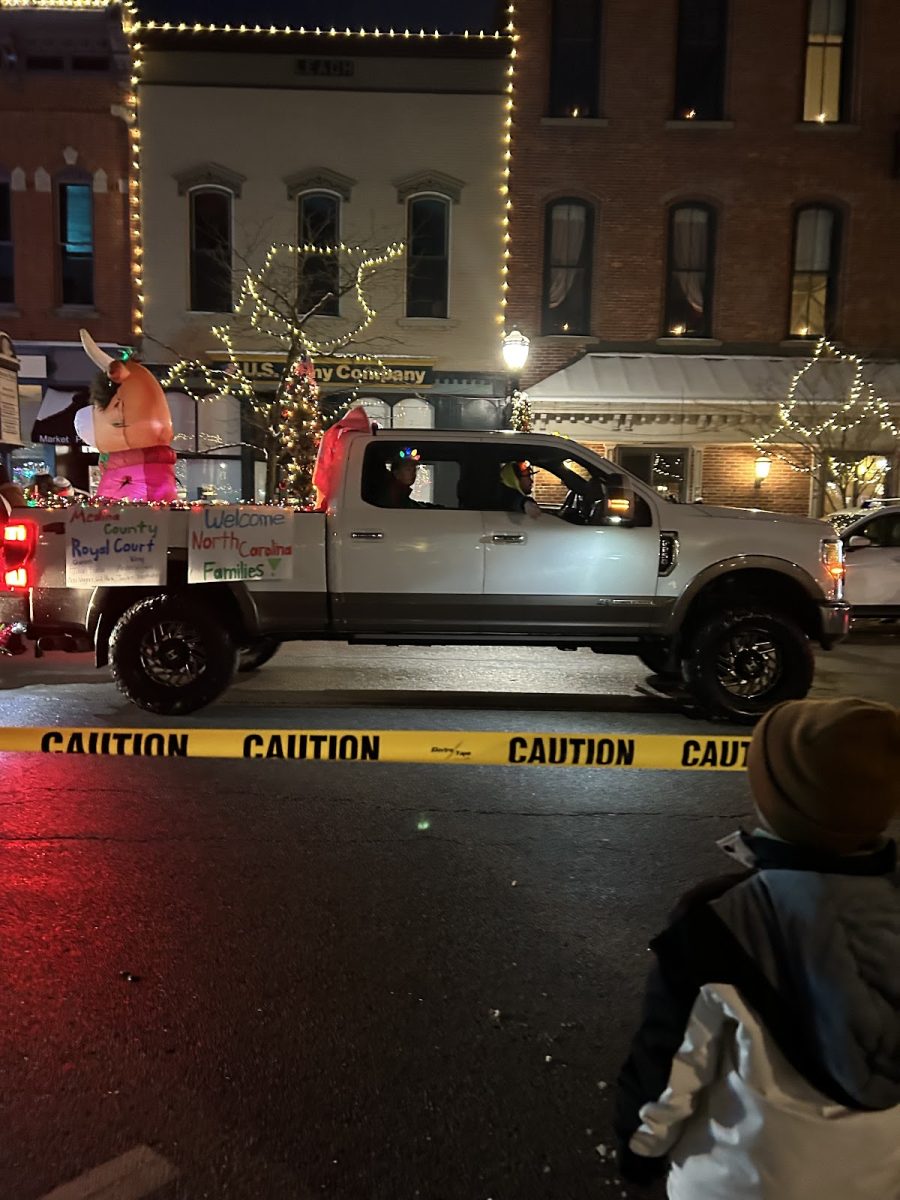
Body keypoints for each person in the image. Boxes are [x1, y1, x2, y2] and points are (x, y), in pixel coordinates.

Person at [614, 696, 900, 1200]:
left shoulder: (719, 922)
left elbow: (672, 1066)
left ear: (774, 799)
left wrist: (640, 1151)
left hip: (738, 1180)